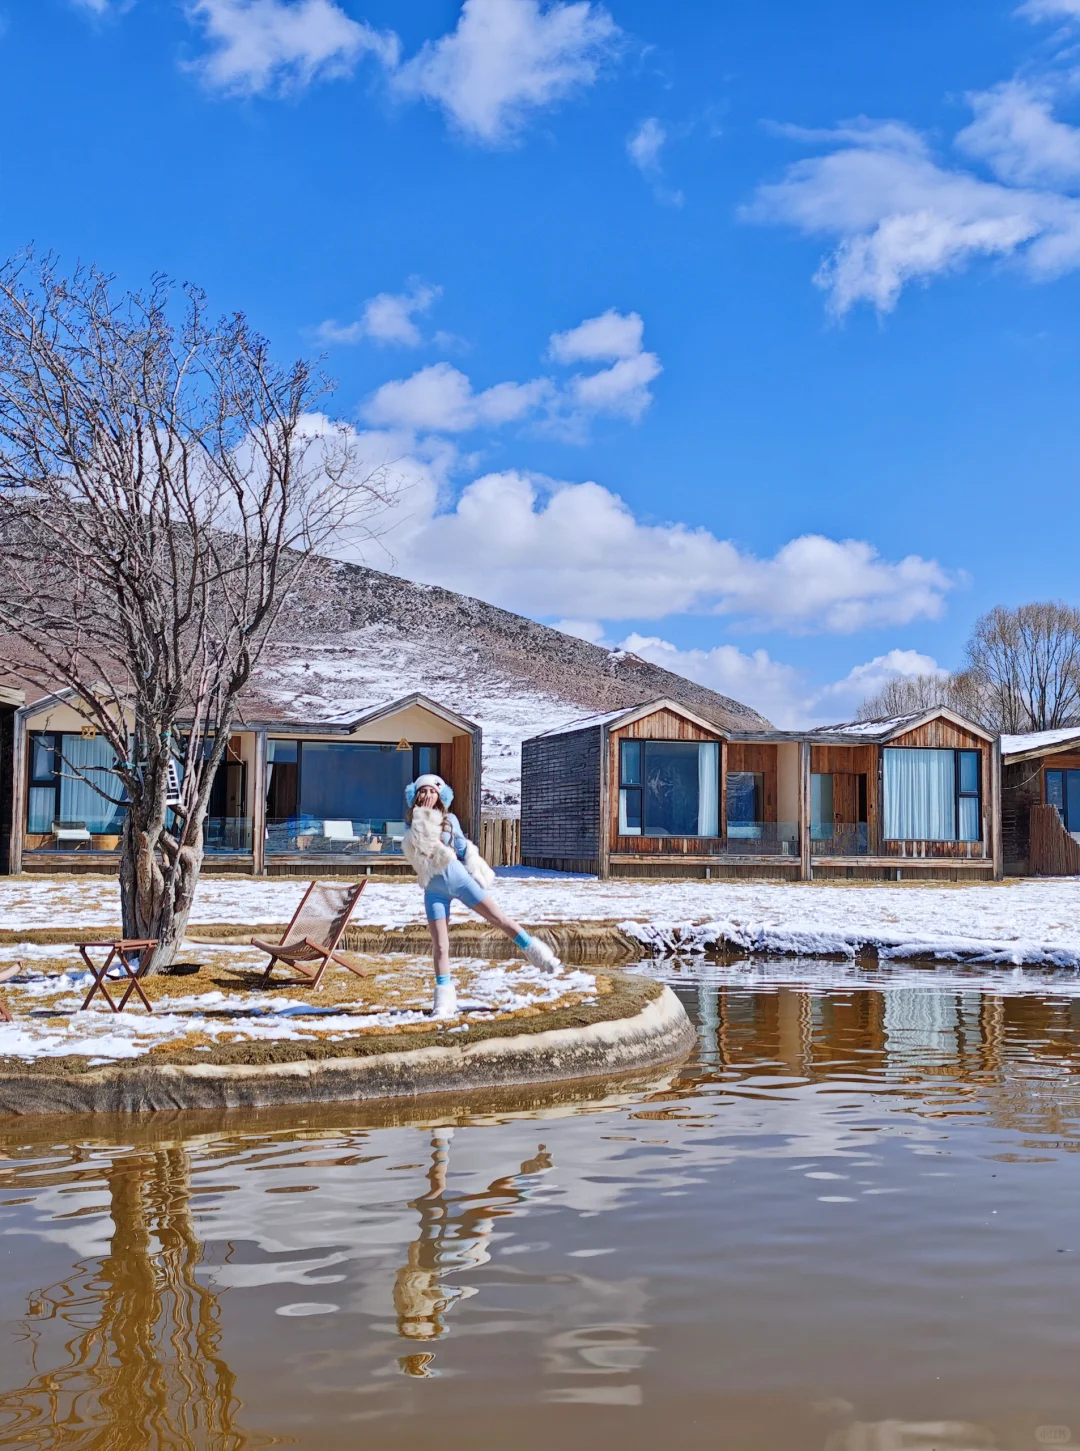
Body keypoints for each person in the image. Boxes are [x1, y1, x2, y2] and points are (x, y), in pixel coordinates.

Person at [401, 773, 561, 1018]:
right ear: (415, 795)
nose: (427, 795)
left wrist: (476, 867)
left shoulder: (450, 819)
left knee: (499, 918)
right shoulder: (411, 824)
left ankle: (539, 955)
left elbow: (464, 849)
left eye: (432, 791)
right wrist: (421, 817)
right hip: (434, 890)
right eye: (422, 791)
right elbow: (421, 849)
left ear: (440, 795)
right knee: (441, 946)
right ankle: (443, 1002)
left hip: (460, 880)